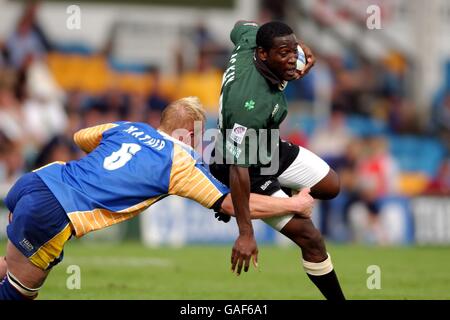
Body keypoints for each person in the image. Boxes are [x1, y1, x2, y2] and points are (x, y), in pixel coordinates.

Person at [0, 96, 314, 300]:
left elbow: (81, 138)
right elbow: (233, 203)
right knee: (18, 295)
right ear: (189, 134)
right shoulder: (181, 161)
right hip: (56, 212)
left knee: (9, 265)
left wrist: (107, 173)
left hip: (37, 180)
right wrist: (292, 203)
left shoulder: (128, 127)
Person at [210, 21, 345, 300]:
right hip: (238, 162)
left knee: (331, 185)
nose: (291, 59)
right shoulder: (248, 103)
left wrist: (299, 46)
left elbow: (238, 25)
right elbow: (239, 168)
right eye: (283, 53)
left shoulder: (251, 39)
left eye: (292, 50)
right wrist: (245, 233)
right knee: (311, 239)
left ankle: (281, 195)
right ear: (262, 54)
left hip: (266, 145)